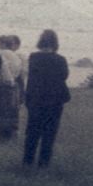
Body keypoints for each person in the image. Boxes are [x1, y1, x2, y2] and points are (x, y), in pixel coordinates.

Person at [22, 29, 71, 168]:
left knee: (32, 132)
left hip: (36, 100)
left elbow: (31, 79)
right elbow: (64, 77)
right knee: (49, 133)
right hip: (54, 100)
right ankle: (43, 163)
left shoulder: (33, 57)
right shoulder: (61, 59)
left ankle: (27, 161)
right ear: (55, 43)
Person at [0, 34, 24, 142]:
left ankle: (3, 136)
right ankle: (13, 134)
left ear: (3, 43)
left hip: (5, 84)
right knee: (12, 110)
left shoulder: (0, 54)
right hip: (15, 85)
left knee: (2, 111)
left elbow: (1, 71)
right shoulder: (16, 56)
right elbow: (21, 70)